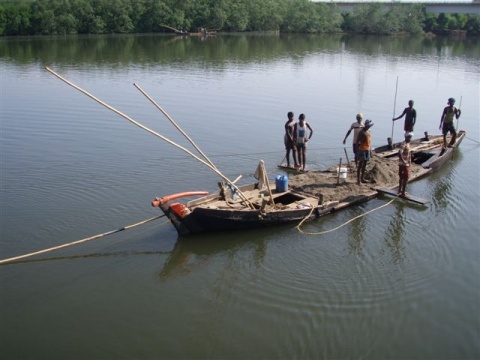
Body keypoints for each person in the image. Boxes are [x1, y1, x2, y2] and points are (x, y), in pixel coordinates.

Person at [356, 119, 373, 185]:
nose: (369, 127)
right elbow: (357, 142)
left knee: (364, 165)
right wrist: (358, 150)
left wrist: (370, 150)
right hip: (362, 149)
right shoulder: (361, 132)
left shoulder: (368, 132)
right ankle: (358, 181)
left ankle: (362, 178)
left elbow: (369, 142)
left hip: (367, 149)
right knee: (360, 165)